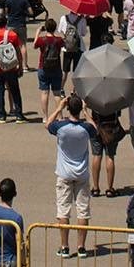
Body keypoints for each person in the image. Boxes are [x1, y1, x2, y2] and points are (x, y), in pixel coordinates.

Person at [46, 94, 93, 258]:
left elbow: (48, 124)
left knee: (63, 211)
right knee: (83, 211)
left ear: (68, 108)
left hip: (64, 173)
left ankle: (64, 246)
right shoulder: (85, 129)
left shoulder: (61, 127)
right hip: (81, 173)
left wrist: (58, 107)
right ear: (79, 109)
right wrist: (86, 112)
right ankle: (81, 246)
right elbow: (95, 129)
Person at [0, 14, 24, 122]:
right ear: (6, 23)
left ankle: (1, 115)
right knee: (15, 90)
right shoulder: (12, 35)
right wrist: (20, 65)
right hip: (11, 66)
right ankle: (19, 114)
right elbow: (18, 52)